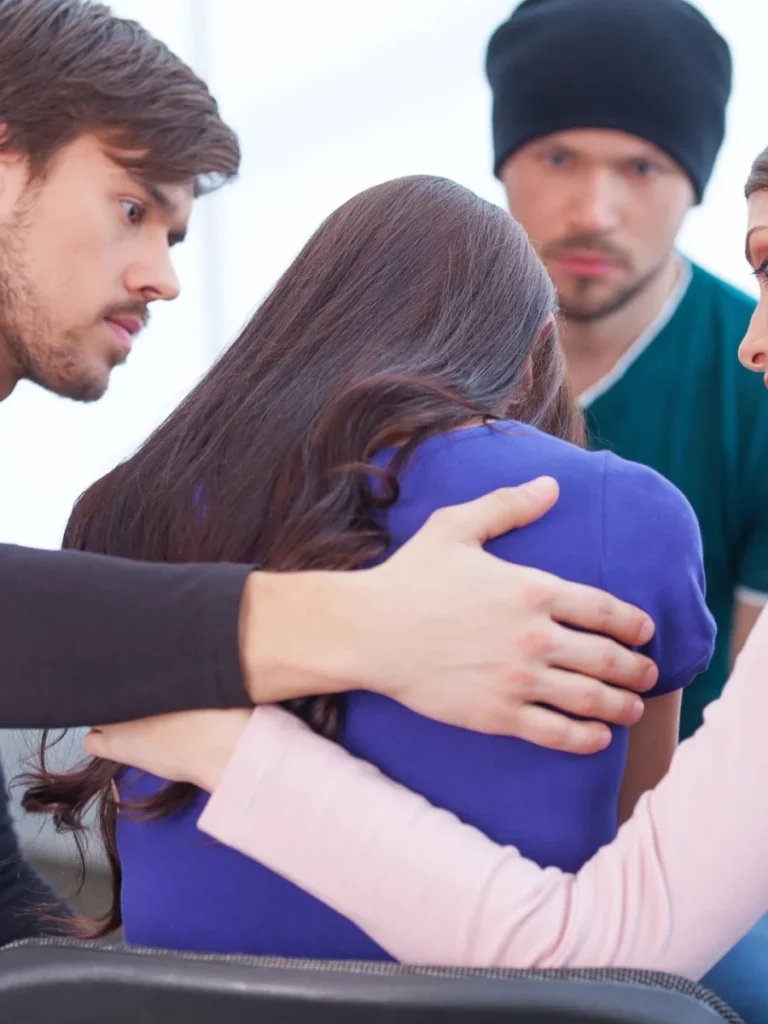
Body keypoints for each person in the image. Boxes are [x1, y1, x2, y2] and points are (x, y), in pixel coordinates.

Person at [0, 0, 658, 944]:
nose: (163, 277)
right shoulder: (620, 514)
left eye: (176, 236)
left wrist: (113, 977)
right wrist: (376, 627)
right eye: (133, 207)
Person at [84, 148, 768, 1024]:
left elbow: (628, 930)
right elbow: (637, 865)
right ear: (533, 361)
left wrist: (226, 748)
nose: (747, 341)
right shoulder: (623, 515)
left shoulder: (134, 513)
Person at [485, 0, 768, 742]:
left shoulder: (757, 378)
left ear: (696, 185)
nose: (594, 211)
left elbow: (751, 737)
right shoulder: (392, 351)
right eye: (558, 158)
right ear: (503, 163)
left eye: (640, 167)